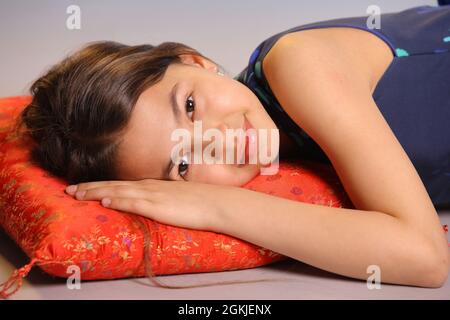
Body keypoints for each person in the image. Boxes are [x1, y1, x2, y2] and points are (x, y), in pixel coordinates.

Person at [16, 4, 450, 288]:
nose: (215, 141)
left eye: (189, 106)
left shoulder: (300, 65)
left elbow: (425, 257)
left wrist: (215, 206)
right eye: (182, 163)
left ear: (196, 61)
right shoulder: (285, 152)